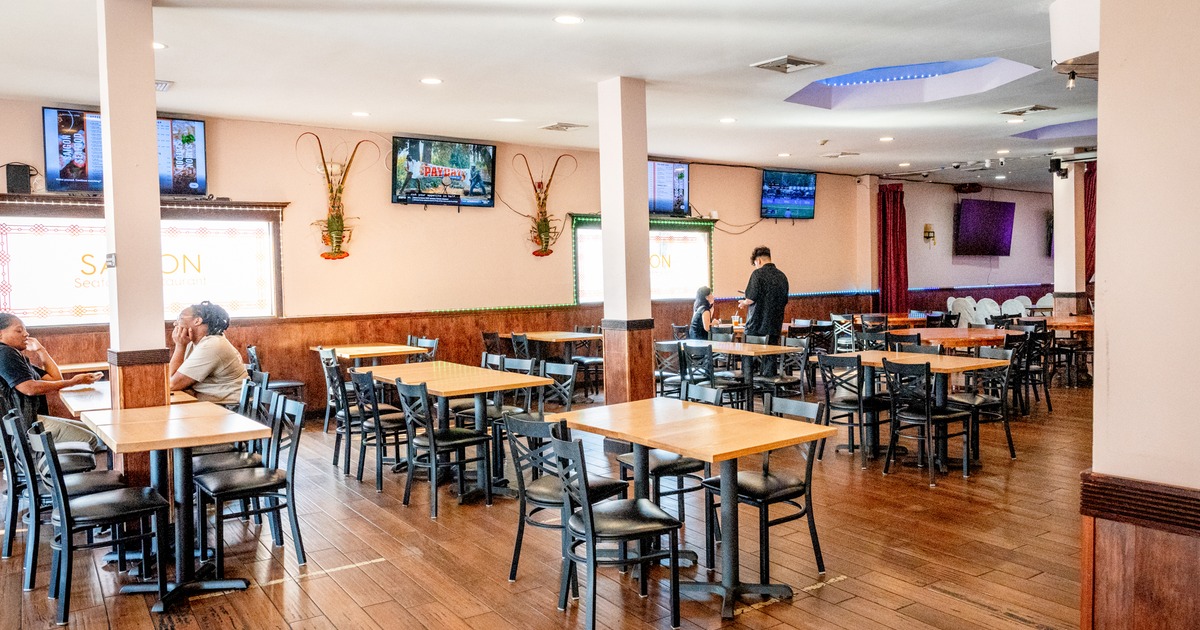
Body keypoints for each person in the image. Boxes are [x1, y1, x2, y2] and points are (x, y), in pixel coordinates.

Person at [0, 313, 104, 450]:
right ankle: (51, 462)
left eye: (25, 330)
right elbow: (29, 388)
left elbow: (56, 379)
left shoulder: (17, 356)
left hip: (31, 420)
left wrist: (41, 350)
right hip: (26, 425)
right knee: (91, 439)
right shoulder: (5, 353)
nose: (26, 334)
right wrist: (74, 382)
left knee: (95, 431)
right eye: (19, 330)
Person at [169, 301, 247, 405]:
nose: (175, 323)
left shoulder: (213, 344)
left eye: (180, 318)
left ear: (197, 321)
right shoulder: (192, 343)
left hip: (231, 408)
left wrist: (179, 346)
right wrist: (181, 345)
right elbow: (170, 381)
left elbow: (172, 384)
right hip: (212, 405)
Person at [737, 246, 789, 374]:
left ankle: (748, 381)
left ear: (758, 260)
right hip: (775, 324)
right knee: (770, 356)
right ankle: (769, 381)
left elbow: (751, 298)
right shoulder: (782, 276)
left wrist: (744, 302)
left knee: (748, 355)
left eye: (755, 264)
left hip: (756, 324)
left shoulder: (757, 274)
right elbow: (784, 299)